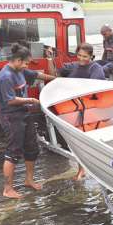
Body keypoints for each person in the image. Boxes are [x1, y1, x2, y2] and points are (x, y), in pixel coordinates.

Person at [0, 43, 56, 199]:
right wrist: (30, 99)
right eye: (25, 63)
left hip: (24, 113)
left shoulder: (20, 70)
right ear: (17, 60)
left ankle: (28, 180)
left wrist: (57, 80)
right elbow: (9, 101)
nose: (26, 66)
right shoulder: (5, 76)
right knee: (13, 152)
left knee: (32, 148)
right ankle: (7, 189)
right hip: (11, 116)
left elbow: (36, 75)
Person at [46, 42, 105, 180]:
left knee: (87, 141)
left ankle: (92, 168)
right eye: (79, 55)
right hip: (74, 109)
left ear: (91, 56)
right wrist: (50, 59)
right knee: (76, 141)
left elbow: (95, 89)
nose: (81, 58)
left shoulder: (96, 69)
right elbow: (54, 74)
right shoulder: (73, 66)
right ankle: (82, 169)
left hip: (90, 111)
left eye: (85, 56)